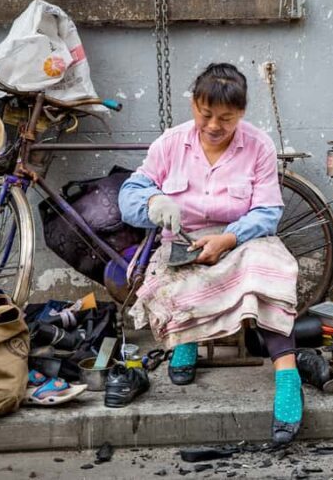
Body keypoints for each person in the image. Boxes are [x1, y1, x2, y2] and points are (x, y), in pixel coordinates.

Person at [118, 63, 302, 444]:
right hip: (186, 241)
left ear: (241, 114)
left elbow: (268, 212)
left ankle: (288, 376)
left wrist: (228, 239)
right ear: (194, 106)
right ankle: (186, 341)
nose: (215, 125)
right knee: (175, 275)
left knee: (266, 272)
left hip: (244, 239)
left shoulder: (258, 146)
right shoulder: (171, 143)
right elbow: (128, 196)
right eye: (206, 114)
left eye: (226, 118)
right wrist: (152, 201)